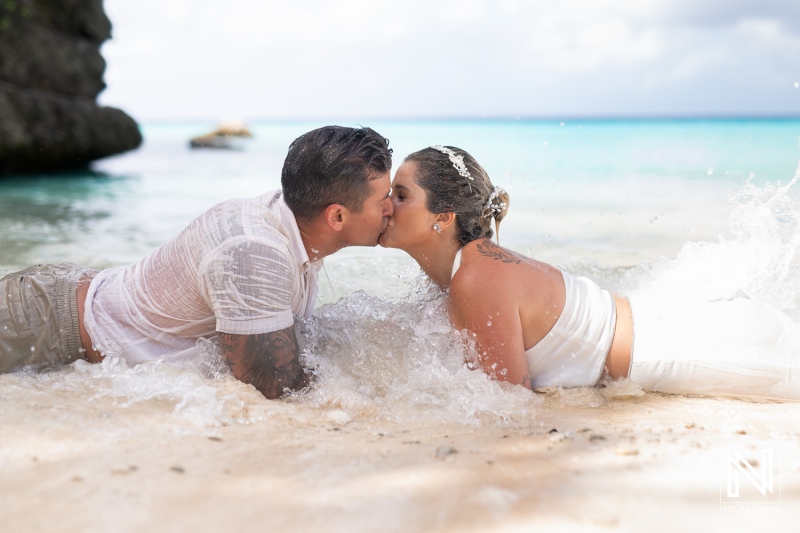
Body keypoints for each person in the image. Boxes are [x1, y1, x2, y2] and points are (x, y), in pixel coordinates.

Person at [379, 145, 800, 401]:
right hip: (676, 319)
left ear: (443, 217)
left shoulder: (475, 278)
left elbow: (507, 404)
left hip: (685, 347)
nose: (386, 203)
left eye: (401, 195)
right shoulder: (471, 267)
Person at [0, 125, 394, 399]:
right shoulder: (254, 251)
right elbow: (272, 389)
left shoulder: (297, 223)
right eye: (384, 200)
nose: (392, 208)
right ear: (337, 217)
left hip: (72, 301)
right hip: (45, 322)